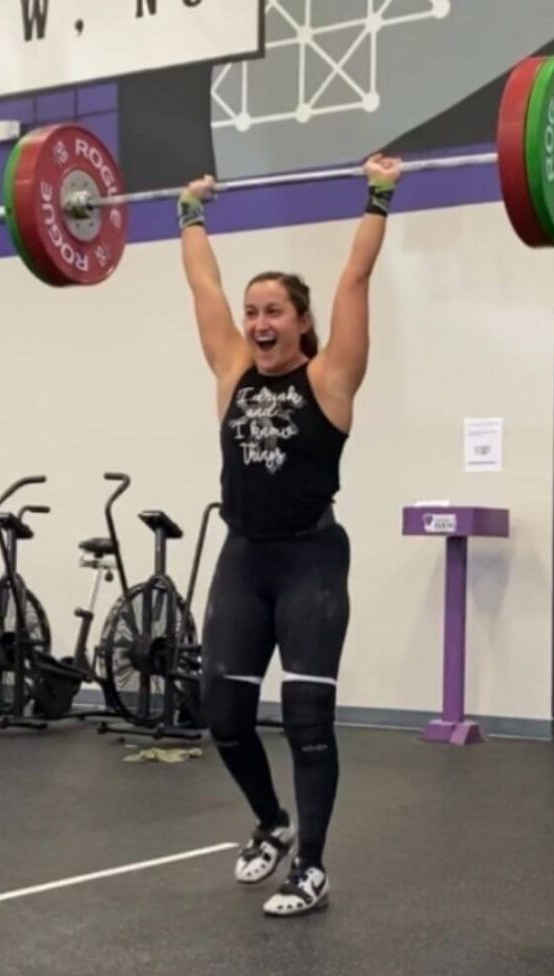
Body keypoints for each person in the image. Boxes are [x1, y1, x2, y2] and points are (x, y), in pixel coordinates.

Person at [178, 153, 401, 916]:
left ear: (301, 322)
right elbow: (202, 287)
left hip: (309, 557)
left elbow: (355, 282)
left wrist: (377, 196)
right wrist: (190, 212)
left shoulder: (330, 379)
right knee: (224, 717)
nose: (259, 323)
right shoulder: (233, 370)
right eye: (253, 312)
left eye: (274, 311)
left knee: (307, 717)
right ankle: (270, 823)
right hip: (244, 558)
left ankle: (311, 864)